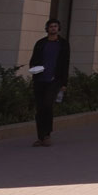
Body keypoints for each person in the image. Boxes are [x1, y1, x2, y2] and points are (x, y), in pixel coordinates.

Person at [27, 18, 70, 147]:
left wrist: (64, 84)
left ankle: (47, 134)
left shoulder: (63, 44)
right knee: (40, 108)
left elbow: (65, 64)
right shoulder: (40, 43)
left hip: (55, 80)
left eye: (55, 26)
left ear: (58, 28)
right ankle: (40, 137)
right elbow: (33, 60)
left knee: (47, 104)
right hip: (40, 80)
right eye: (51, 26)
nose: (53, 28)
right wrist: (35, 69)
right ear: (47, 29)